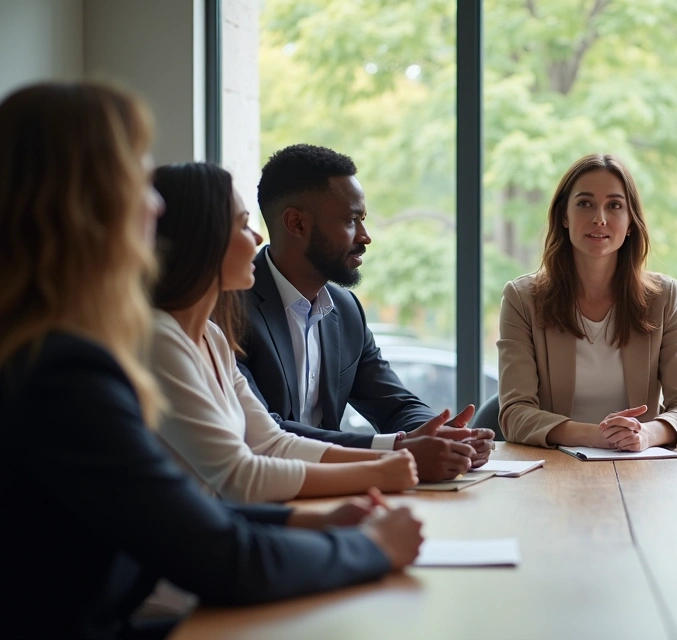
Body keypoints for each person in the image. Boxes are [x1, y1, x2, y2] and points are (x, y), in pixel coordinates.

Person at [0, 81, 423, 640]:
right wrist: (368, 546)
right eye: (135, 178)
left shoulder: (56, 352)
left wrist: (315, 519)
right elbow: (224, 555)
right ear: (80, 207)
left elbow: (184, 511)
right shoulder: (64, 373)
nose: (154, 203)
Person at [149, 162, 421, 503]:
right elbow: (240, 475)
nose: (259, 236)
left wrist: (402, 454)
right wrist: (383, 468)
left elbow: (271, 443)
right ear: (202, 241)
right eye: (243, 224)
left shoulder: (213, 336)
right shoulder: (162, 339)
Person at [239, 144, 493, 482]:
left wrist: (443, 435)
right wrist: (396, 448)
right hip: (268, 497)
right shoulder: (229, 308)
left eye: (363, 220)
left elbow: (394, 404)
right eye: (350, 220)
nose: (365, 237)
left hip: (339, 492)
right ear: (296, 224)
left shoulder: (345, 310)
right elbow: (268, 434)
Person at [497, 153, 677, 449]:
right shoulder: (522, 299)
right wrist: (599, 436)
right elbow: (515, 414)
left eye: (614, 205)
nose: (599, 218)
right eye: (585, 203)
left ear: (631, 222)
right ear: (564, 216)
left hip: (640, 467)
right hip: (554, 469)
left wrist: (645, 434)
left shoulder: (664, 297)